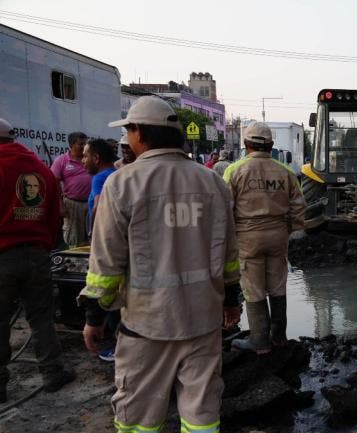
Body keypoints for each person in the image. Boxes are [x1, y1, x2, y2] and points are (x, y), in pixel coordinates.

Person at [79, 96, 242, 432]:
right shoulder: (213, 183)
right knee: (201, 412)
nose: (127, 139)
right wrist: (231, 299)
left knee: (138, 415)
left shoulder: (122, 184)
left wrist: (95, 316)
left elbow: (106, 261)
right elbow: (229, 254)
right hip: (203, 320)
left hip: (147, 325)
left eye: (129, 131)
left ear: (140, 133)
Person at [0, 118, 76, 404]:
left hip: (3, 255)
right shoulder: (40, 168)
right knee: (42, 317)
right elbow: (55, 215)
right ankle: (53, 373)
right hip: (37, 254)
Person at [224, 122, 306, 354]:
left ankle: (259, 340)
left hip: (248, 237)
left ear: (246, 144)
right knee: (278, 286)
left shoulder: (235, 170)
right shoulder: (286, 172)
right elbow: (299, 207)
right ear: (270, 145)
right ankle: (279, 337)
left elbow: (224, 209)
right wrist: (288, 229)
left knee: (253, 287)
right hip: (278, 234)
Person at [50, 131, 91, 248]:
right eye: (81, 144)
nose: (84, 147)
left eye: (85, 144)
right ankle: (74, 263)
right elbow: (54, 182)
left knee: (92, 236)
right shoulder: (62, 160)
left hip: (91, 203)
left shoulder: (89, 159)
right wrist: (60, 204)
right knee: (73, 238)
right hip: (72, 205)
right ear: (71, 145)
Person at [82, 138, 117, 232]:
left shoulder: (99, 178)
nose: (83, 161)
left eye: (85, 156)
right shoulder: (117, 173)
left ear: (96, 158)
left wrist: (92, 233)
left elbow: (98, 207)